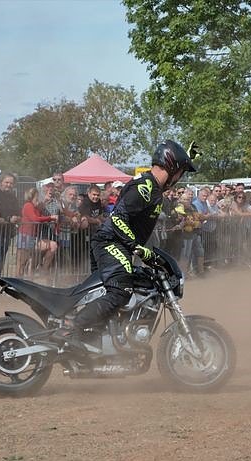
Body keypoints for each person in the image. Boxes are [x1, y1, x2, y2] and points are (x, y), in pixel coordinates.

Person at [53, 140, 197, 345]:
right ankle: (70, 328)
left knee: (125, 289)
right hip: (110, 242)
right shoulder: (144, 187)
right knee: (120, 292)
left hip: (116, 243)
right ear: (171, 166)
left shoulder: (153, 189)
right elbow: (119, 219)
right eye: (180, 171)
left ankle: (96, 341)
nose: (179, 178)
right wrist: (137, 248)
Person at [16, 187, 58, 278]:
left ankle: (43, 270)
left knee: (53, 245)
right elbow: (35, 219)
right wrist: (50, 218)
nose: (38, 198)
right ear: (32, 196)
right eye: (37, 196)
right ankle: (18, 281)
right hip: (25, 236)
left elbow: (40, 218)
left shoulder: (36, 208)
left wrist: (50, 218)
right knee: (22, 262)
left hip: (33, 237)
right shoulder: (28, 205)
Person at [0, 172, 21, 274]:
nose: (9, 185)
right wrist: (8, 219)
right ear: (1, 182)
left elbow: (18, 211)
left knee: (1, 259)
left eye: (11, 183)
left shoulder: (12, 196)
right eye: (7, 182)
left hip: (7, 232)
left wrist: (17, 217)